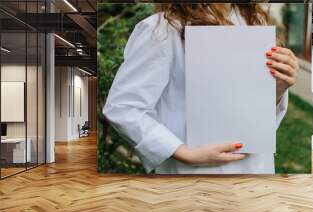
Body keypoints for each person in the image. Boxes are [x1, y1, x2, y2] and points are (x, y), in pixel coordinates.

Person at [103, 3, 299, 174]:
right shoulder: (162, 29)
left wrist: (278, 90)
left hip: (255, 170)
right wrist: (183, 153)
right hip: (194, 176)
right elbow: (124, 106)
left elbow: (249, 109)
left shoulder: (254, 22)